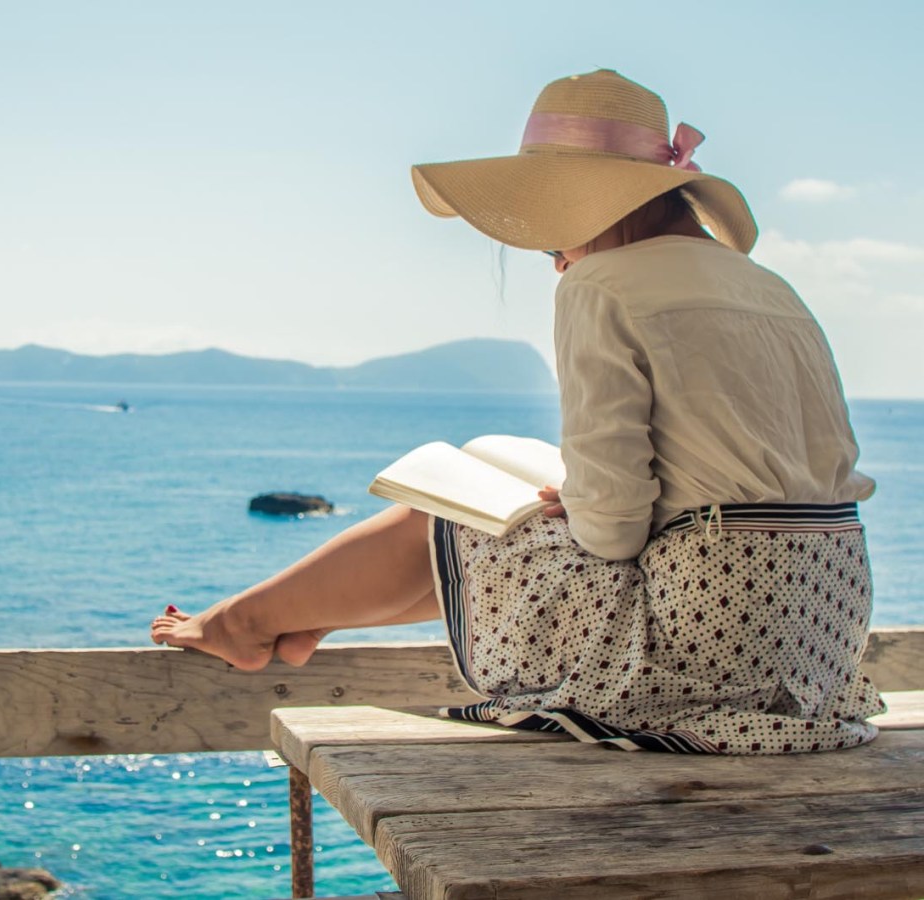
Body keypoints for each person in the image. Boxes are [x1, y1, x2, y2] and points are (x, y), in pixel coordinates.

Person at [151, 69, 885, 754]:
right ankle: (299, 614)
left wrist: (586, 509)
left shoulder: (600, 285)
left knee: (444, 516)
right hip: (821, 632)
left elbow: (615, 531)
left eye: (553, 230)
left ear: (593, 205)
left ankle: (245, 621)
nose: (556, 256)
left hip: (707, 645)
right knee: (494, 455)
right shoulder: (769, 287)